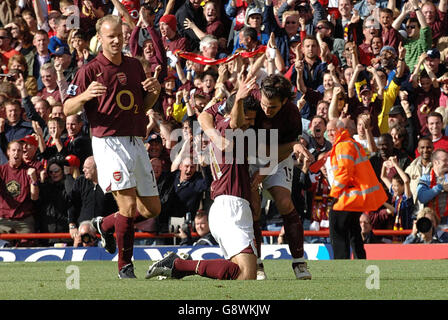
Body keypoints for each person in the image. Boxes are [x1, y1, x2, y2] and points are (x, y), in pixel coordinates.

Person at [63, 15, 162, 279]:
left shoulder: (134, 65)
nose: (116, 40)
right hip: (108, 143)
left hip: (136, 140)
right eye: (110, 36)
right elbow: (67, 108)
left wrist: (156, 90)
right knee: (128, 208)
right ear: (101, 38)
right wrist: (84, 96)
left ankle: (104, 224)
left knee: (152, 209)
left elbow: (144, 105)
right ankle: (125, 266)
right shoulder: (89, 69)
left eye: (119, 34)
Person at [146, 74, 259, 281]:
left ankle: (179, 266)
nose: (249, 124)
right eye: (248, 119)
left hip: (227, 205)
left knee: (241, 273)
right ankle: (178, 265)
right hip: (230, 206)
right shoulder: (229, 129)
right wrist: (240, 98)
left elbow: (207, 113)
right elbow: (234, 120)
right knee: (246, 275)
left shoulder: (217, 126)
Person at [326, 119, 388, 259]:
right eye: (328, 130)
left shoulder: (342, 146)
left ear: (340, 130)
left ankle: (341, 265)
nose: (329, 133)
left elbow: (344, 172)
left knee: (337, 229)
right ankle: (360, 261)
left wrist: (334, 194)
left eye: (332, 130)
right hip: (357, 195)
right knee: (354, 230)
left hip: (349, 195)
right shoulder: (351, 143)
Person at [68, 156, 118, 240]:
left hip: (106, 233)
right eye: (83, 167)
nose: (83, 170)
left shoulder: (111, 183)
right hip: (83, 233)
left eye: (87, 168)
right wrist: (72, 225)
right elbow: (72, 204)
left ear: (97, 168)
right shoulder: (80, 181)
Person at [0, 141, 39, 236]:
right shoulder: (1, 170)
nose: (16, 153)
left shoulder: (29, 170)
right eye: (13, 150)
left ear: (22, 153)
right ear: (8, 152)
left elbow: (34, 197)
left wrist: (34, 180)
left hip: (24, 220)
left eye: (19, 151)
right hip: (4, 219)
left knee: (27, 248)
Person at [417, 148, 448, 225]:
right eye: (445, 160)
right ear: (435, 162)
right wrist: (440, 187)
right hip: (432, 221)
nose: (447, 163)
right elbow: (422, 198)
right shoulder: (426, 178)